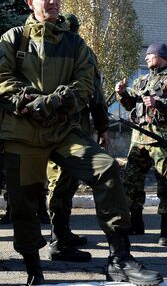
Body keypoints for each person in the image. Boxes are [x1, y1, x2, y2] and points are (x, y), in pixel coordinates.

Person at [0, 0, 162, 286]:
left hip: (63, 128)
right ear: (31, 2)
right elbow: (0, 78)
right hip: (23, 132)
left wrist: (56, 101)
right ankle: (33, 268)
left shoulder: (74, 43)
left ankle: (120, 258)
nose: (52, 1)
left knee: (105, 167)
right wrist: (28, 100)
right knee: (24, 200)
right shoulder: (14, 38)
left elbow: (86, 83)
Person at [45, 13, 110, 262]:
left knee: (63, 184)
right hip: (70, 128)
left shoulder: (47, 49)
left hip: (50, 126)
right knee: (62, 183)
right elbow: (96, 94)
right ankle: (58, 242)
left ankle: (63, 233)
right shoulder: (81, 52)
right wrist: (103, 126)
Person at [115, 43, 167, 247]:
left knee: (165, 183)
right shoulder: (141, 80)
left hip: (161, 139)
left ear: (161, 56)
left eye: (150, 54)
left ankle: (166, 231)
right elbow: (132, 106)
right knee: (131, 182)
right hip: (139, 139)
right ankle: (136, 222)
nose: (146, 58)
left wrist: (159, 104)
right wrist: (122, 94)